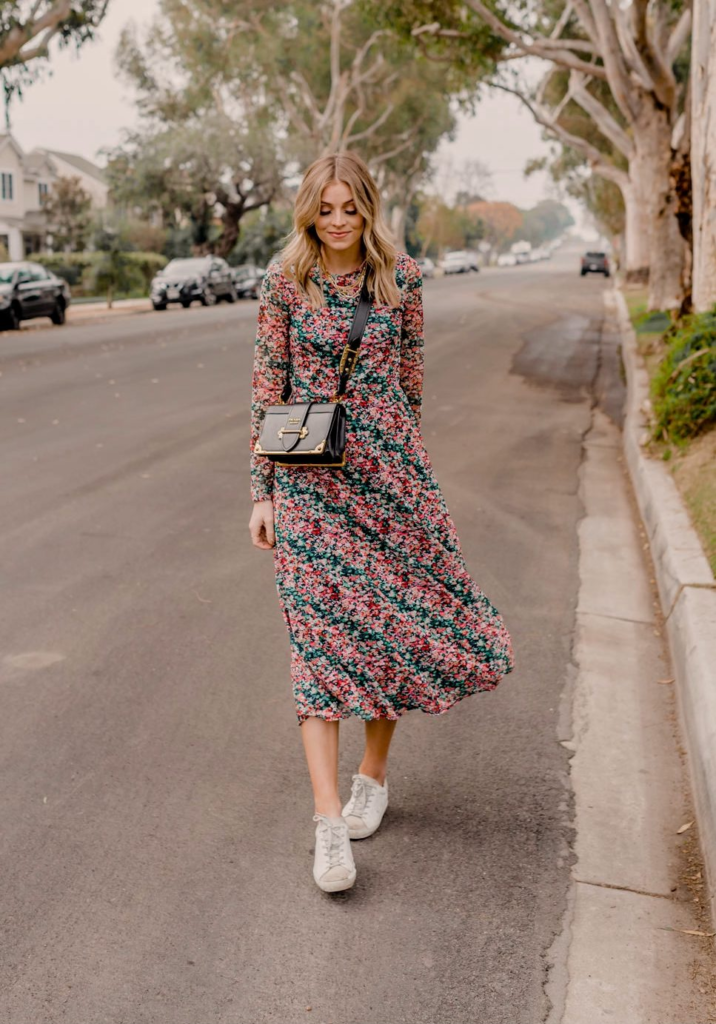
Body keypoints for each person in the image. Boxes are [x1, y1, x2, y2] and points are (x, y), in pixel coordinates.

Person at [249, 152, 514, 893]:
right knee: (318, 646)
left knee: (389, 629)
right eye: (325, 209)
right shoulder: (283, 282)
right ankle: (328, 823)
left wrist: (408, 481)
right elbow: (267, 388)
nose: (338, 222)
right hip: (308, 488)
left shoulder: (401, 278)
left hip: (389, 483)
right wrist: (262, 492)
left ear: (368, 208)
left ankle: (372, 776)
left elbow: (410, 385)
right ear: (308, 210)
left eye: (350, 208)